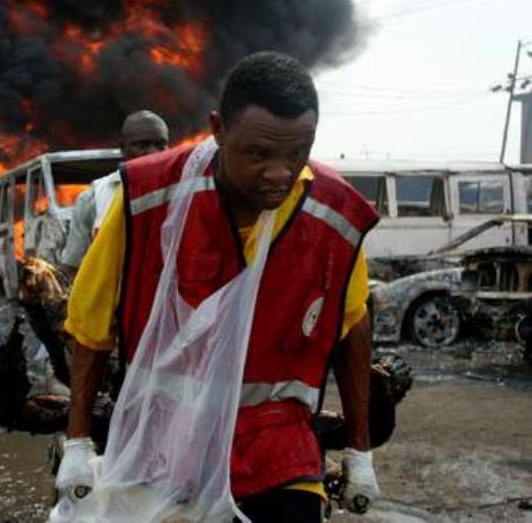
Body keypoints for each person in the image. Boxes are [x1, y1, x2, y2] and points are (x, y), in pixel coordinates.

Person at [56, 52, 380, 522]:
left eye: (296, 153)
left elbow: (354, 330)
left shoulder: (333, 216)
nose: (279, 173)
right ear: (218, 129)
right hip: (164, 446)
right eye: (258, 154)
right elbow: (89, 328)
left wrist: (359, 452)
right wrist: (79, 442)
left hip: (278, 450)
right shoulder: (147, 200)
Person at [59, 110, 169, 271]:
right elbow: (73, 265)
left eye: (161, 145)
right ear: (123, 149)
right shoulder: (93, 197)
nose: (153, 153)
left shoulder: (185, 191)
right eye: (142, 145)